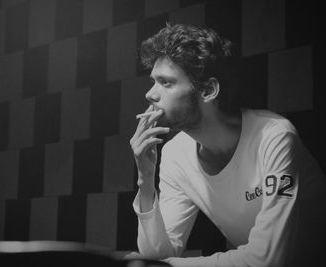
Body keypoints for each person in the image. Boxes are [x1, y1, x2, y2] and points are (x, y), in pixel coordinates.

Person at [129, 23, 326, 267]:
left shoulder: (274, 137)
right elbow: (156, 259)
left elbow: (268, 260)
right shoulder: (174, 154)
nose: (150, 94)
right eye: (153, 81)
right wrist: (145, 180)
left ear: (209, 90)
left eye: (166, 83)